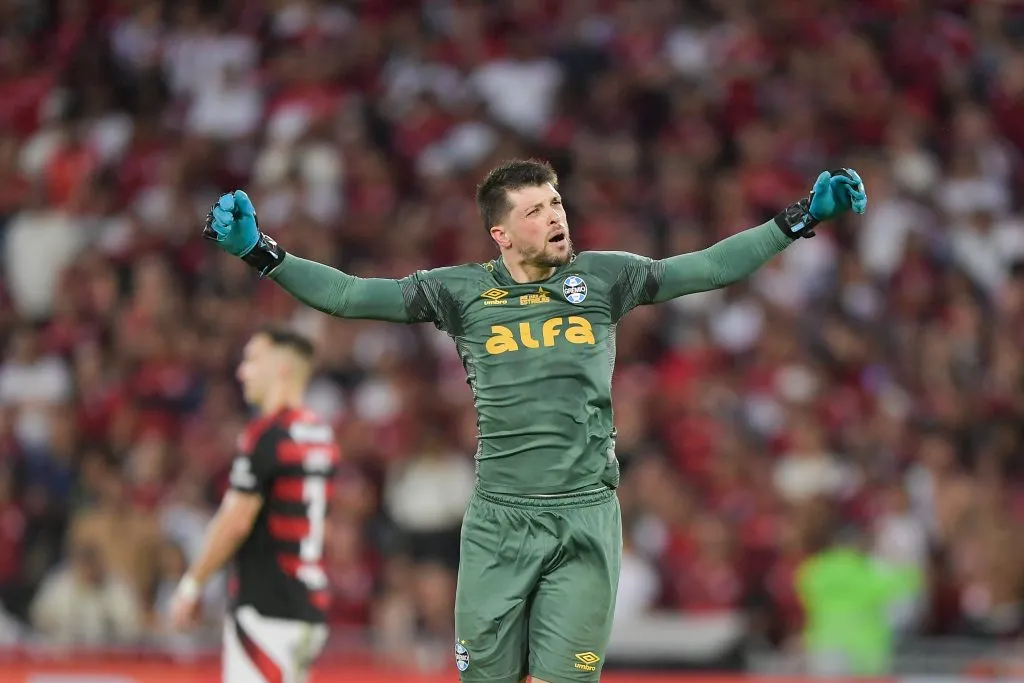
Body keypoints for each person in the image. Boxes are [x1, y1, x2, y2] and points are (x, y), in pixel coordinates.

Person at [203, 159, 867, 683]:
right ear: (502, 234)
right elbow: (350, 296)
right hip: (499, 523)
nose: (555, 217)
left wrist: (800, 217)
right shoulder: (459, 291)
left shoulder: (604, 278)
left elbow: (709, 267)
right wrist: (260, 250)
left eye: (556, 203)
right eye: (535, 210)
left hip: (584, 519)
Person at [168, 326, 339, 683]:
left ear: (281, 368)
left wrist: (191, 586)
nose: (242, 371)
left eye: (252, 360)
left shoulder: (266, 435)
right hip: (308, 603)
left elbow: (236, 522)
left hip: (268, 609)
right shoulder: (320, 434)